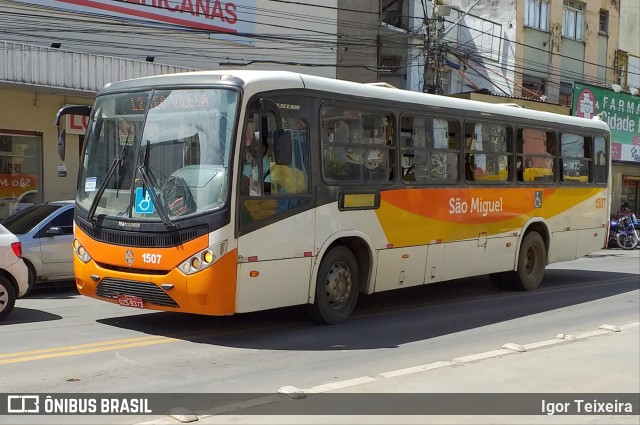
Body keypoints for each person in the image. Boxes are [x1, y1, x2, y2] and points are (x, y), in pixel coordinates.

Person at [242, 127, 270, 196]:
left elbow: (270, 186)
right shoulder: (248, 166)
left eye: (255, 146)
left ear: (263, 148)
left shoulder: (270, 165)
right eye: (251, 146)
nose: (252, 149)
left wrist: (251, 182)